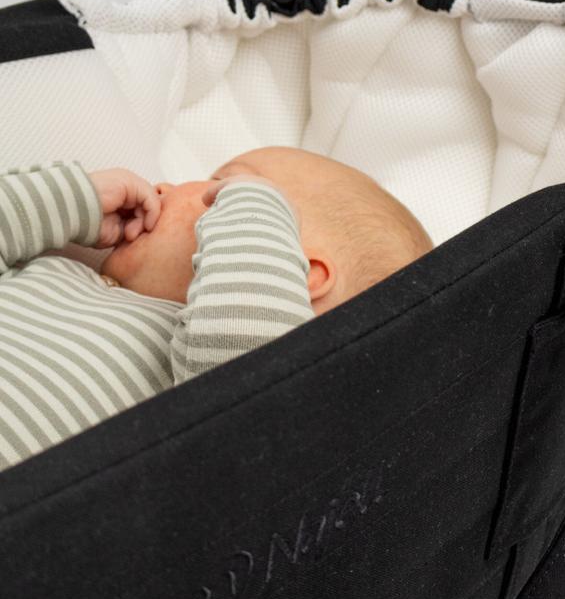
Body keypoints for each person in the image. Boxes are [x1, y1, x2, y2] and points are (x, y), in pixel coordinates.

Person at [0, 145, 433, 473]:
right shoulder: (56, 268)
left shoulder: (203, 375)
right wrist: (73, 198)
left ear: (298, 276)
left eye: (221, 187)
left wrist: (254, 199)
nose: (163, 187)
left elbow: (251, 347)